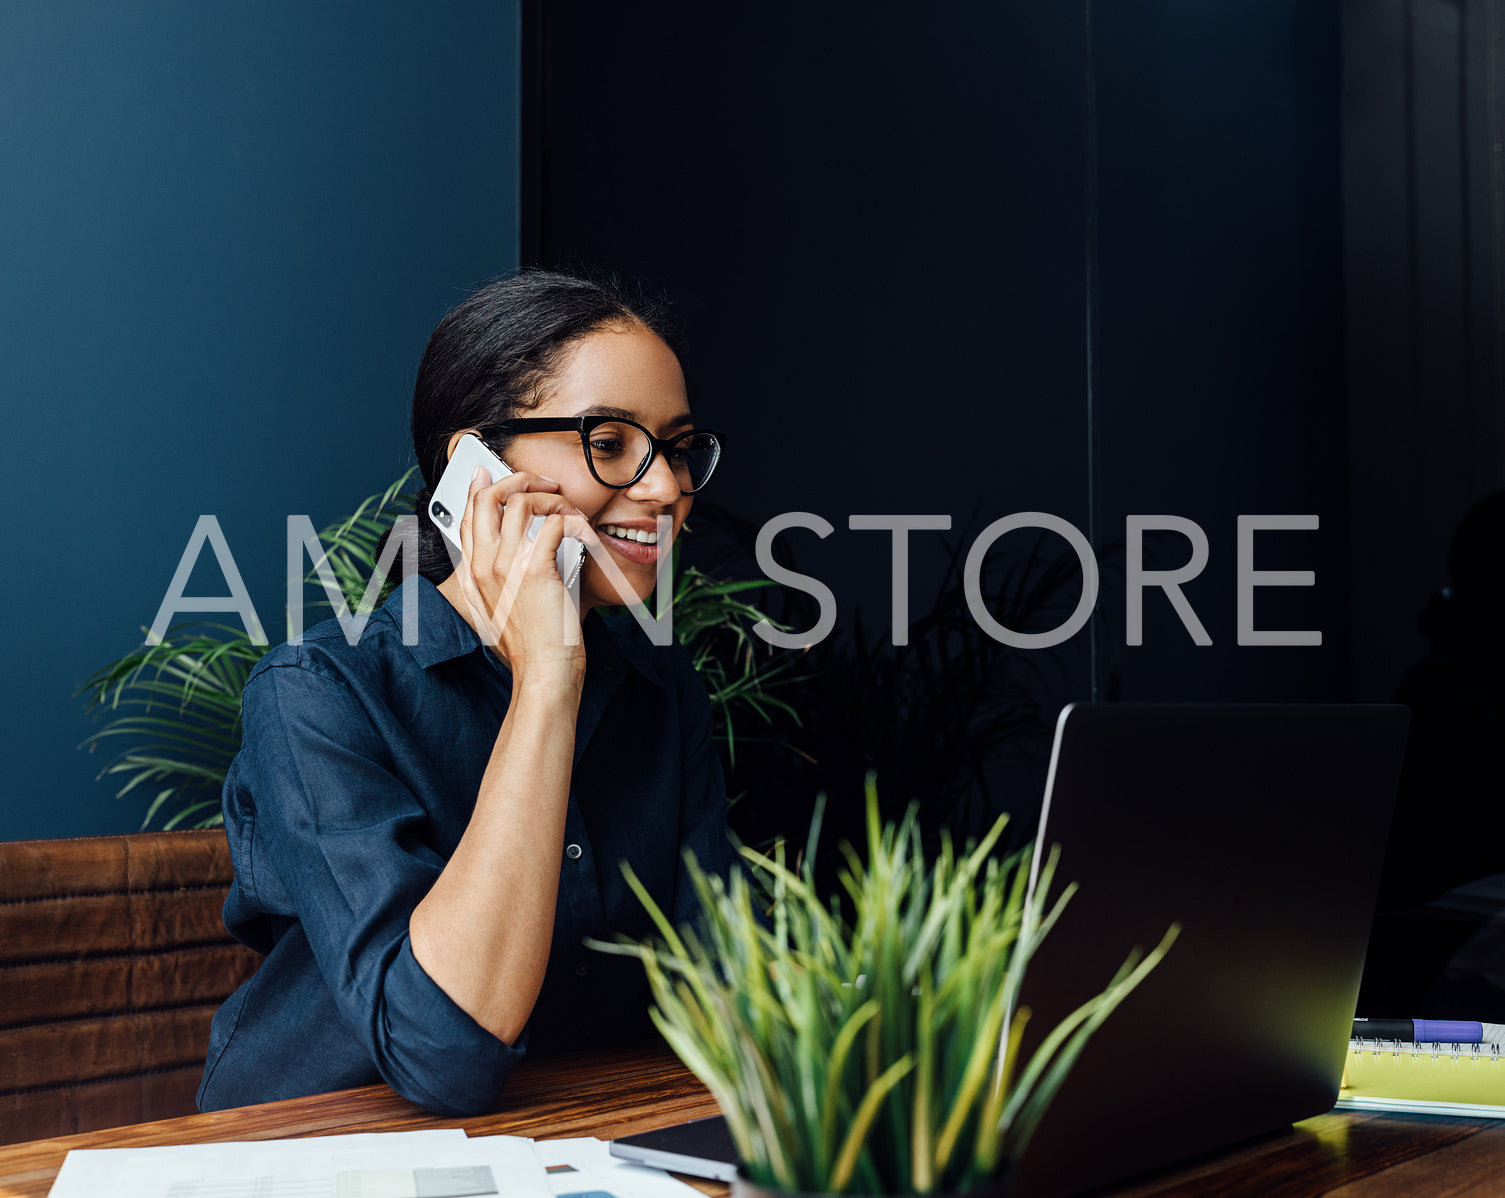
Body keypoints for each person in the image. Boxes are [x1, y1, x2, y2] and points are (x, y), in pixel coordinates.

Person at [197, 270, 735, 1115]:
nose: (666, 488)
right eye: (610, 442)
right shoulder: (320, 693)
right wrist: (547, 679)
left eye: (676, 446)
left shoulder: (658, 686)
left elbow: (722, 995)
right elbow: (441, 1052)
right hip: (317, 1147)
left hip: (568, 1137)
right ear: (474, 469)